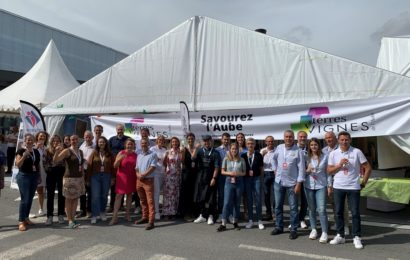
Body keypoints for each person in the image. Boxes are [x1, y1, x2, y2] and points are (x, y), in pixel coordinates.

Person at [327, 131, 371, 249]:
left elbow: (368, 167)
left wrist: (363, 182)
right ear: (338, 140)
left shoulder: (357, 152)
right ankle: (340, 236)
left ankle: (357, 237)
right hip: (338, 186)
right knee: (338, 212)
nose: (344, 142)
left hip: (353, 187)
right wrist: (339, 165)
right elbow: (329, 171)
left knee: (355, 213)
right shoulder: (334, 153)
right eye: (342, 140)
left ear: (350, 140)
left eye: (346, 139)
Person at [271, 130, 305, 240]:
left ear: (293, 138)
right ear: (283, 137)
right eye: (286, 137)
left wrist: (299, 183)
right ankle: (279, 226)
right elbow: (273, 159)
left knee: (293, 208)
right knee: (278, 206)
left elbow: (301, 168)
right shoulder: (279, 147)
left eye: (290, 137)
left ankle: (294, 229)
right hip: (279, 182)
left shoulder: (298, 150)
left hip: (292, 183)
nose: (288, 138)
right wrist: (274, 169)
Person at [54, 135, 86, 229]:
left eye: (76, 139)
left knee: (75, 199)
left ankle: (73, 218)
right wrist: (56, 151)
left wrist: (83, 177)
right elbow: (55, 160)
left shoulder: (80, 151)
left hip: (78, 178)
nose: (74, 141)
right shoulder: (67, 151)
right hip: (69, 179)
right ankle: (70, 220)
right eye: (72, 140)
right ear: (70, 141)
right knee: (69, 199)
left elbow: (81, 165)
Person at [304, 138, 332, 243]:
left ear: (319, 146)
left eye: (315, 144)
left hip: (321, 185)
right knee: (311, 209)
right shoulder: (306, 157)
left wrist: (329, 185)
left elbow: (328, 172)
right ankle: (314, 229)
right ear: (309, 146)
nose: (313, 147)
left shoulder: (325, 156)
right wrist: (307, 170)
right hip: (308, 186)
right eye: (311, 145)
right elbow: (302, 173)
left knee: (321, 209)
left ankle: (324, 232)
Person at [322, 131, 350, 235]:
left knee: (343, 204)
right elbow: (326, 169)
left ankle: (346, 225)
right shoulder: (324, 150)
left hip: (341, 178)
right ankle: (338, 223)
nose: (329, 140)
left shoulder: (342, 148)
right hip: (329, 179)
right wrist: (329, 184)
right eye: (327, 138)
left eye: (330, 137)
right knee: (334, 203)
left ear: (335, 138)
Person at [217, 143, 245, 232]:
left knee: (236, 203)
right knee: (226, 202)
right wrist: (230, 173)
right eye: (232, 149)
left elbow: (244, 172)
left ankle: (235, 222)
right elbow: (222, 171)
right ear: (230, 150)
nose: (234, 150)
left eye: (235, 149)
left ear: (238, 150)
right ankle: (223, 223)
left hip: (239, 181)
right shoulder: (226, 159)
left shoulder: (242, 160)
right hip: (229, 182)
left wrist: (238, 174)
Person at [15, 133, 40, 231]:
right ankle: (21, 221)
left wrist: (38, 176)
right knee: (24, 199)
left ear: (34, 141)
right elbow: (18, 164)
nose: (29, 141)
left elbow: (37, 165)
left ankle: (26, 218)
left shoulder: (36, 151)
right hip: (24, 176)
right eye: (27, 140)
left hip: (33, 176)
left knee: (30, 198)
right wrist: (24, 156)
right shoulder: (21, 151)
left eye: (31, 140)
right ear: (25, 141)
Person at [87, 136, 115, 224]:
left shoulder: (109, 154)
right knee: (95, 196)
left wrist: (113, 178)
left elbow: (113, 167)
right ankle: (95, 214)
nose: (101, 143)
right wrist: (87, 179)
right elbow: (89, 166)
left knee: (104, 194)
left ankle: (102, 212)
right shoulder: (94, 153)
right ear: (97, 144)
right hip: (95, 176)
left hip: (106, 176)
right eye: (99, 142)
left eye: (103, 142)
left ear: (105, 143)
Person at [193, 135, 220, 225]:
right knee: (201, 197)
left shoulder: (215, 152)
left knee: (211, 198)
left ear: (211, 141)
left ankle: (211, 216)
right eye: (205, 141)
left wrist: (214, 178)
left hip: (211, 177)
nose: (206, 143)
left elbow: (217, 167)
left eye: (208, 141)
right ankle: (202, 215)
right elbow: (193, 159)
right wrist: (196, 149)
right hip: (201, 178)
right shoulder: (200, 151)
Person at [110, 138, 137, 225]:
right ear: (125, 145)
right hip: (122, 177)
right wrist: (119, 159)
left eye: (131, 144)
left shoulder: (135, 155)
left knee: (129, 195)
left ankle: (127, 214)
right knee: (119, 196)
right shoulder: (121, 153)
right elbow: (115, 166)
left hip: (131, 177)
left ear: (133, 146)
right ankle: (114, 217)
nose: (129, 146)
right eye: (128, 144)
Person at [135, 138, 157, 230]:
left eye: (145, 143)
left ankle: (151, 221)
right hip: (139, 180)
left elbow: (153, 167)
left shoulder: (153, 154)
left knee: (150, 201)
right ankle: (145, 217)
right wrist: (138, 175)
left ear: (148, 144)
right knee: (142, 200)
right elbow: (136, 168)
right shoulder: (139, 155)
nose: (143, 145)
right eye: (142, 143)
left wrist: (143, 175)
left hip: (148, 180)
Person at [242, 138, 264, 230]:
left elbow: (261, 169)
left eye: (252, 143)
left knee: (258, 199)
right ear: (246, 145)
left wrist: (260, 179)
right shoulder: (243, 155)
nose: (250, 145)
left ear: (254, 145)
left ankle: (259, 220)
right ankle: (250, 220)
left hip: (256, 179)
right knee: (249, 200)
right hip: (247, 179)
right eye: (248, 143)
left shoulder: (258, 155)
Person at [44, 135, 66, 225]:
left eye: (57, 141)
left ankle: (60, 214)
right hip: (51, 173)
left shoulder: (64, 151)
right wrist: (50, 168)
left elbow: (65, 163)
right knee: (50, 195)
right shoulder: (47, 151)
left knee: (62, 194)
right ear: (51, 142)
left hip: (61, 172)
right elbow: (44, 163)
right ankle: (50, 216)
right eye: (54, 141)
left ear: (60, 142)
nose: (55, 143)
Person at [108, 124, 130, 212]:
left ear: (123, 130)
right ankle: (111, 205)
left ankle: (121, 205)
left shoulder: (127, 139)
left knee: (123, 186)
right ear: (116, 130)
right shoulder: (111, 139)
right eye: (118, 129)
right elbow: (108, 152)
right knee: (113, 186)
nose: (119, 131)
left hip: (124, 166)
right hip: (114, 165)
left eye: (121, 129)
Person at [178, 132, 198, 221]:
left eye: (192, 138)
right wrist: (181, 153)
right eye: (189, 139)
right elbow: (181, 162)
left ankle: (192, 212)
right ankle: (185, 213)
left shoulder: (197, 148)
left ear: (194, 139)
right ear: (187, 140)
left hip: (195, 174)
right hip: (186, 173)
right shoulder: (184, 149)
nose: (190, 140)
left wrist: (196, 149)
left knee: (193, 193)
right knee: (186, 193)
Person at [162, 137, 183, 219]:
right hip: (169, 175)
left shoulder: (180, 151)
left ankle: (174, 212)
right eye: (173, 142)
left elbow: (182, 161)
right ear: (171, 143)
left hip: (177, 175)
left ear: (178, 143)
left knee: (175, 194)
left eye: (176, 142)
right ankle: (167, 213)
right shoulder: (167, 152)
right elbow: (164, 163)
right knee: (168, 194)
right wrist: (167, 170)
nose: (174, 143)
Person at [149, 135, 167, 220]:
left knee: (165, 193)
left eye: (162, 140)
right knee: (156, 192)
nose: (161, 141)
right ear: (157, 141)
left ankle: (164, 210)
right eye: (159, 140)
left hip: (164, 173)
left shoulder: (165, 150)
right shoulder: (152, 149)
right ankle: (156, 212)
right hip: (155, 173)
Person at [79, 130, 94, 218]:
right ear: (84, 137)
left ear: (92, 137)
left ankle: (89, 210)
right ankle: (82, 210)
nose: (87, 138)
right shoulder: (81, 146)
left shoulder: (95, 146)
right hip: (83, 171)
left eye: (89, 137)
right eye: (86, 137)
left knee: (91, 192)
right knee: (82, 192)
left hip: (91, 172)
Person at [216, 132, 230, 223]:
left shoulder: (232, 149)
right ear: (221, 139)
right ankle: (221, 214)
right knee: (221, 195)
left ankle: (229, 214)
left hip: (230, 175)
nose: (226, 141)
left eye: (227, 139)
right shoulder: (217, 150)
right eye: (224, 139)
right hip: (221, 176)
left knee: (230, 195)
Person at [260, 136, 275, 221]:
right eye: (268, 142)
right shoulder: (262, 150)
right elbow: (258, 163)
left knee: (276, 195)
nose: (270, 143)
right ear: (265, 142)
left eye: (271, 141)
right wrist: (262, 155)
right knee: (266, 195)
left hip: (274, 173)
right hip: (265, 173)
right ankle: (268, 213)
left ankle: (275, 213)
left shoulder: (277, 150)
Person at [34, 131, 49, 217]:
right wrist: (36, 147)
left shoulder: (46, 148)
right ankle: (39, 208)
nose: (42, 138)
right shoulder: (33, 147)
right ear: (37, 137)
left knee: (43, 190)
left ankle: (42, 208)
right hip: (36, 171)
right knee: (37, 190)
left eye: (43, 136)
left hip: (45, 171)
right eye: (40, 136)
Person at [296, 130, 309, 229]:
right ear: (297, 138)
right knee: (294, 201)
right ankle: (294, 219)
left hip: (307, 179)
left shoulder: (310, 149)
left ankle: (301, 219)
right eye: (301, 137)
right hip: (294, 179)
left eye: (304, 137)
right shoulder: (292, 148)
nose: (302, 138)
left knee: (305, 201)